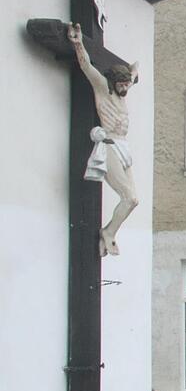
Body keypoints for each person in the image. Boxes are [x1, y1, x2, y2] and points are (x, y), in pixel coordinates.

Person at [68, 22, 139, 257]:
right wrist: (78, 43)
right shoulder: (103, 90)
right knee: (128, 197)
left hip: (123, 147)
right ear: (113, 82)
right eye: (121, 84)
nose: (124, 88)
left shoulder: (123, 94)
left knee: (134, 200)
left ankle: (110, 231)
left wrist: (133, 71)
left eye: (127, 84)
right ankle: (107, 234)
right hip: (108, 144)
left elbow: (135, 71)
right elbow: (87, 66)